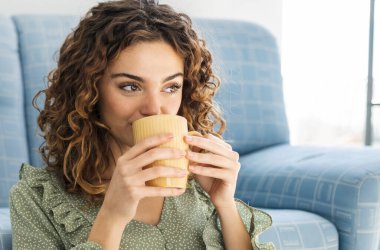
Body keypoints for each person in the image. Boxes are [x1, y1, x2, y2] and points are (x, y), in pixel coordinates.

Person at [9, 0, 274, 249]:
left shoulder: (200, 187)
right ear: (89, 91)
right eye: (131, 86)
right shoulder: (37, 199)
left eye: (171, 87)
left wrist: (225, 204)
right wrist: (112, 215)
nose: (154, 108)